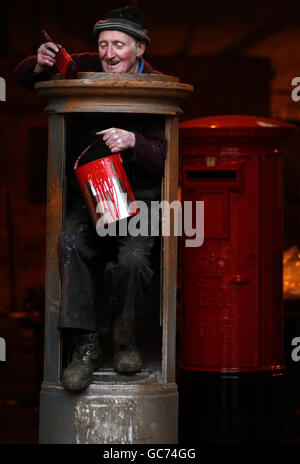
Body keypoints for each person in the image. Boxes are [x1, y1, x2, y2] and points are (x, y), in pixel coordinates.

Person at [14, 6, 166, 391]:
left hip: (140, 200)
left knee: (132, 261)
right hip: (92, 193)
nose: (109, 54)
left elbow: (165, 155)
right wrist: (40, 61)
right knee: (70, 243)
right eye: (103, 45)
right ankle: (86, 346)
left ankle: (125, 339)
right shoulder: (83, 65)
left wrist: (134, 141)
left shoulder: (159, 84)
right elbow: (22, 77)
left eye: (119, 45)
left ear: (140, 48)